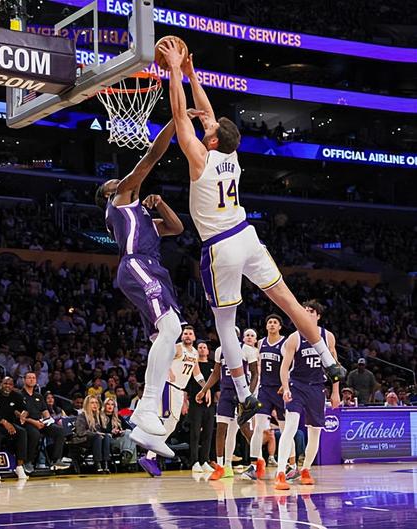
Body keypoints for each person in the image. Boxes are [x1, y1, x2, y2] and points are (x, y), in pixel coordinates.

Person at [158, 41, 347, 426]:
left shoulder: (201, 159)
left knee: (225, 323)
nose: (208, 125)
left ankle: (244, 395)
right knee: (289, 302)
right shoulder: (231, 154)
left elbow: (180, 116)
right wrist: (193, 74)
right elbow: (207, 115)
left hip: (221, 246)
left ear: (213, 140)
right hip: (247, 236)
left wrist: (175, 70)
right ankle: (329, 361)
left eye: (210, 128)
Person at [94, 118, 185, 458]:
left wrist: (159, 203)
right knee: (171, 328)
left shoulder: (141, 215)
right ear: (109, 194)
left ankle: (147, 426)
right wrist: (176, 122)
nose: (122, 183)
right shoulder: (119, 202)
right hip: (137, 264)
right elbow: (151, 157)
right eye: (115, 183)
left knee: (169, 337)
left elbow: (176, 228)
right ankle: (146, 408)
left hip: (152, 268)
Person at [275, 301, 340, 490]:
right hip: (297, 386)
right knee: (290, 426)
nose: (307, 313)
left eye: (311, 311)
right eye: (304, 311)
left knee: (315, 432)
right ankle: (280, 473)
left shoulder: (328, 337)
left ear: (318, 316)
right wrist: (285, 387)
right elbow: (284, 367)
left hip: (317, 388)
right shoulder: (294, 337)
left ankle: (305, 470)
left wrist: (335, 391)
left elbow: (334, 368)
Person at [138, 326, 205, 476]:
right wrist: (168, 370)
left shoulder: (194, 353)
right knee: (165, 421)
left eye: (190, 333)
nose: (187, 336)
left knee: (171, 425)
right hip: (169, 386)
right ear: (182, 336)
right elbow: (162, 357)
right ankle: (149, 456)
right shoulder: (177, 348)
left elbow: (197, 373)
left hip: (179, 390)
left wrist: (205, 387)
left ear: (194, 337)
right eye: (185, 333)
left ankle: (150, 455)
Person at [196, 328, 258, 480]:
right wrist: (204, 390)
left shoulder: (246, 350)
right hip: (225, 393)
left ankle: (258, 461)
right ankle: (222, 467)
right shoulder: (219, 350)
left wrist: (248, 395)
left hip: (241, 393)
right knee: (221, 429)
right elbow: (216, 373)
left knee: (244, 430)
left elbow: (255, 374)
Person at [243, 314, 296, 480]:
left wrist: (286, 384)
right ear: (266, 326)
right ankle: (254, 465)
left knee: (285, 429)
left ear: (280, 326)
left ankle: (292, 465)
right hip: (265, 390)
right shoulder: (261, 343)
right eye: (269, 322)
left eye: (275, 322)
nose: (272, 324)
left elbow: (293, 365)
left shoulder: (285, 343)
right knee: (258, 427)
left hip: (280, 390)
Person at [0, 376, 30, 481]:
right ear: (1, 384)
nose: (7, 386)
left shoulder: (16, 395)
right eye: (5, 383)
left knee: (22, 432)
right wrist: (4, 422)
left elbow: (25, 409)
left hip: (8, 424)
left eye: (10, 384)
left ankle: (19, 467)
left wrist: (24, 414)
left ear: (13, 386)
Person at [21, 372, 70, 472]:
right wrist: (35, 422)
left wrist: (46, 420)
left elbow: (45, 412)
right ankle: (28, 461)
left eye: (34, 378)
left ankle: (56, 460)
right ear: (24, 380)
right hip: (27, 423)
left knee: (60, 431)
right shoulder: (19, 395)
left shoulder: (38, 396)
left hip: (40, 422)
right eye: (29, 378)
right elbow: (19, 414)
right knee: (35, 434)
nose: (32, 379)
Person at [186, 340, 216, 473]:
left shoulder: (213, 366)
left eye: (204, 347)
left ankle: (204, 460)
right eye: (199, 347)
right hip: (195, 403)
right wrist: (185, 402)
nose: (202, 349)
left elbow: (217, 388)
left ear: (208, 351)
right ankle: (194, 461)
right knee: (195, 433)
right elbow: (186, 386)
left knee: (208, 433)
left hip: (210, 404)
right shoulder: (193, 365)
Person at [74, 395, 111, 473]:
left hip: (97, 439)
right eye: (92, 403)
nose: (95, 405)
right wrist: (95, 433)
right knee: (97, 436)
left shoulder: (99, 416)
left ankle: (106, 464)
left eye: (96, 403)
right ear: (87, 405)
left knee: (106, 436)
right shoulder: (82, 416)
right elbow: (80, 432)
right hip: (83, 440)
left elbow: (104, 430)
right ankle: (98, 464)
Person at [101, 397, 136, 465]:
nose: (110, 406)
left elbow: (129, 428)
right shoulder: (100, 417)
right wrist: (111, 431)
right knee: (130, 441)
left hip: (119, 440)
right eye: (108, 404)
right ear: (104, 406)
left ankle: (126, 455)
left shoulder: (118, 417)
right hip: (108, 441)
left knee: (129, 433)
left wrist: (122, 431)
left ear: (114, 407)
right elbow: (99, 430)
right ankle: (130, 463)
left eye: (112, 404)